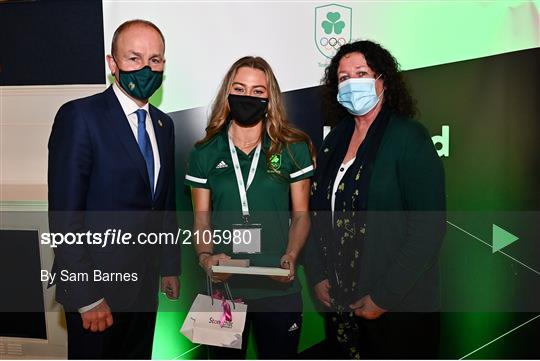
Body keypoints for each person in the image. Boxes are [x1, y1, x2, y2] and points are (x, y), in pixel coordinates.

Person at [304, 40, 446, 359]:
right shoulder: (333, 141)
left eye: (361, 73)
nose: (352, 83)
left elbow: (428, 230)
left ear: (383, 80)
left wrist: (383, 298)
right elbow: (314, 214)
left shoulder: (409, 138)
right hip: (341, 303)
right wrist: (317, 274)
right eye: (343, 78)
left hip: (397, 309)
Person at [48, 19, 181, 359]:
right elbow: (65, 216)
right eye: (134, 58)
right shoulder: (80, 116)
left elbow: (163, 205)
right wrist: (86, 295)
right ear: (112, 64)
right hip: (97, 291)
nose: (146, 68)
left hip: (145, 287)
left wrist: (169, 265)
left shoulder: (164, 125)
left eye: (155, 60)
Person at [184, 56, 314, 359]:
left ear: (270, 99)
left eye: (258, 91)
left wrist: (292, 256)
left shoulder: (293, 147)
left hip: (278, 288)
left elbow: (301, 216)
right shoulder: (205, 151)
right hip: (222, 290)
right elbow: (201, 221)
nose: (247, 97)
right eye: (240, 88)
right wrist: (205, 257)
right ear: (228, 94)